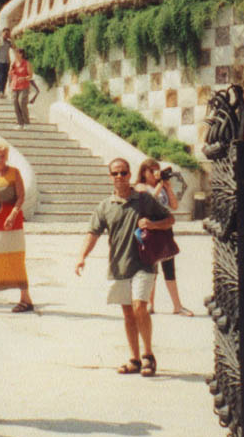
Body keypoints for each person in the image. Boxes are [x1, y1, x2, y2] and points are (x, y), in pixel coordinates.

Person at [74, 158, 175, 377]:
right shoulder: (104, 206)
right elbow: (93, 233)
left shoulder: (144, 200)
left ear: (130, 175)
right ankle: (134, 359)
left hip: (144, 263)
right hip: (119, 265)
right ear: (110, 176)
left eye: (123, 173)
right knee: (128, 314)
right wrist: (82, 256)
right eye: (115, 173)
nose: (119, 177)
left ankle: (148, 356)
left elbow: (170, 219)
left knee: (140, 307)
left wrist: (152, 224)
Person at [134, 159, 192, 316]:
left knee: (169, 267)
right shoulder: (141, 187)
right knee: (151, 268)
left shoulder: (161, 187)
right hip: (149, 229)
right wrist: (160, 185)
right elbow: (150, 201)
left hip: (164, 227)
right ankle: (149, 304)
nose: (154, 173)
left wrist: (168, 187)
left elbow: (174, 206)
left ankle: (177, 305)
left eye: (156, 170)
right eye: (151, 170)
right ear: (144, 172)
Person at [0, 143, 33, 312]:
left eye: (3, 155)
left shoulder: (14, 173)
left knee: (15, 259)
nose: (0, 158)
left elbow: (21, 196)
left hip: (11, 224)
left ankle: (25, 298)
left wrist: (13, 214)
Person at [9, 48, 34, 129]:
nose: (16, 55)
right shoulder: (13, 63)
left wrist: (23, 78)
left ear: (22, 54)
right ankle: (20, 123)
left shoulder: (26, 63)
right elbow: (10, 73)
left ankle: (27, 122)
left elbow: (30, 76)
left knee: (22, 102)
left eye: (18, 53)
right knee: (15, 104)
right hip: (14, 85)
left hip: (24, 86)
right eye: (15, 53)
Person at [0, 28, 12, 97]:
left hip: (7, 61)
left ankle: (3, 91)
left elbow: (15, 47)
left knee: (5, 77)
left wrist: (11, 38)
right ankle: (0, 91)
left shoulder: (9, 42)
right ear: (2, 33)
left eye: (8, 34)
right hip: (0, 61)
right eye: (5, 33)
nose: (6, 35)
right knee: (1, 76)